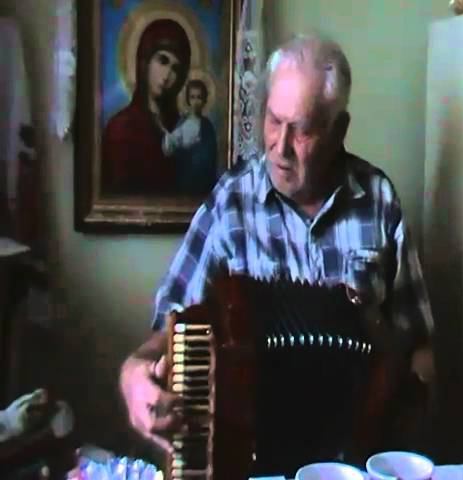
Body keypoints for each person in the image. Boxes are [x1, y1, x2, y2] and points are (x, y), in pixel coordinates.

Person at [119, 34, 435, 473]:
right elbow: (174, 323)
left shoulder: (378, 201)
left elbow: (417, 342)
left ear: (339, 129)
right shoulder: (232, 201)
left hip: (354, 462)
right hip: (249, 459)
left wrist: (407, 424)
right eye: (273, 120)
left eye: (302, 130)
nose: (280, 147)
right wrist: (134, 371)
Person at [102, 19, 191, 195]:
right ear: (145, 61)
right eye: (162, 61)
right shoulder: (120, 127)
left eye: (175, 68)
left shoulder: (181, 127)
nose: (167, 75)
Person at [162, 79, 219, 195]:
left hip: (202, 178)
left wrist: (197, 148)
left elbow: (210, 154)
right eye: (192, 97)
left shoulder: (207, 126)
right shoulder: (182, 123)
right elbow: (173, 147)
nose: (196, 102)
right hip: (184, 174)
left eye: (199, 97)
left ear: (204, 100)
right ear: (188, 99)